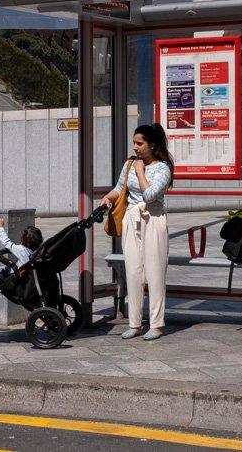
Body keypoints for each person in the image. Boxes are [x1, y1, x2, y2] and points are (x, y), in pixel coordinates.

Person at [100, 123, 173, 341]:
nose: (135, 147)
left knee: (155, 272)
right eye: (134, 142)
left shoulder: (163, 168)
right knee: (133, 271)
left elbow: (150, 195)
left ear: (152, 145)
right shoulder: (129, 164)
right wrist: (108, 197)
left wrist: (141, 172)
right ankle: (134, 323)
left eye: (139, 143)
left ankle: (157, 324)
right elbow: (119, 188)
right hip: (131, 217)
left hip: (153, 217)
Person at [0, 217, 42, 296]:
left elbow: (6, 242)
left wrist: (0, 227)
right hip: (27, 274)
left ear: (23, 239)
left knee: (3, 270)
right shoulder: (38, 251)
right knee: (3, 269)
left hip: (18, 275)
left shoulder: (21, 249)